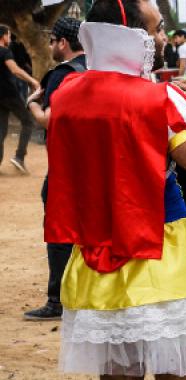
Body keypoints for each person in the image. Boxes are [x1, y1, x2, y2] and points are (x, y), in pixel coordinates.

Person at [45, 0, 186, 378]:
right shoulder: (160, 100)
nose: (162, 38)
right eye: (156, 29)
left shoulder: (65, 93)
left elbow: (113, 108)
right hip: (164, 251)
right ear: (132, 38)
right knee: (179, 369)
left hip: (97, 257)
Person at [22, 16, 85, 321]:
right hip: (96, 163)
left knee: (60, 232)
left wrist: (32, 103)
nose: (50, 47)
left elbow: (49, 118)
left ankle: (57, 300)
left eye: (52, 41)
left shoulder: (62, 74)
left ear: (62, 43)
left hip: (66, 166)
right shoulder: (97, 69)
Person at [0, 24, 39, 174]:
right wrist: (33, 81)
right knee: (28, 122)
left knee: (2, 130)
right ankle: (19, 157)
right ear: (3, 36)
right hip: (9, 94)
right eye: (8, 35)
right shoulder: (5, 51)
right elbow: (15, 70)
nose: (9, 38)